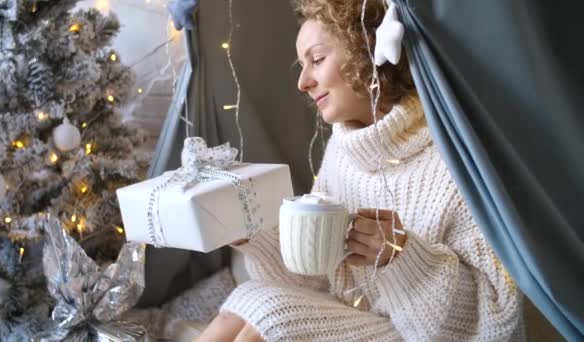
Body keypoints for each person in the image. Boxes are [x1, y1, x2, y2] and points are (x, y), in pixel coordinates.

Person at [196, 0, 525, 340]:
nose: (303, 82)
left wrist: (401, 257)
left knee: (273, 316)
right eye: (302, 64)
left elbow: (494, 317)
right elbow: (319, 279)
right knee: (248, 298)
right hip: (360, 319)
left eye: (317, 60)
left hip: (421, 333)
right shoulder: (343, 149)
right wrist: (253, 235)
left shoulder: (452, 156)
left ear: (364, 50)